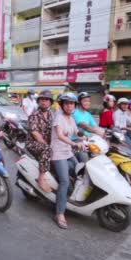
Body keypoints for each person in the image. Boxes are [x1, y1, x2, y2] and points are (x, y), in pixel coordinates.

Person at [51, 93, 85, 229]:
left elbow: (77, 132)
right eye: (66, 103)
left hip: (68, 152)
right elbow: (59, 135)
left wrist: (87, 137)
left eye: (72, 103)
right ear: (62, 105)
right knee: (64, 180)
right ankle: (60, 213)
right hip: (58, 153)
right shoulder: (59, 118)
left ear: (75, 105)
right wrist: (74, 144)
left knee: (82, 172)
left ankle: (73, 196)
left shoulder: (71, 118)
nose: (69, 105)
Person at [26, 90, 54, 192]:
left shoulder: (51, 115)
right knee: (47, 149)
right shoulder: (34, 115)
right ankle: (41, 179)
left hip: (47, 142)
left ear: (50, 102)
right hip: (33, 143)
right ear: (38, 101)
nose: (44, 102)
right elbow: (35, 133)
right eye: (42, 99)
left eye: (46, 100)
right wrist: (46, 143)